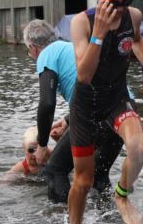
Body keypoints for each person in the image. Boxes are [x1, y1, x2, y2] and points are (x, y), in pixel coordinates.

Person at [66, 0, 143, 224]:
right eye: (115, 4)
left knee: (139, 148)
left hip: (116, 100)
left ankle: (122, 194)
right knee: (83, 180)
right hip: (85, 107)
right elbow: (83, 74)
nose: (121, 9)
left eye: (126, 2)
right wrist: (100, 33)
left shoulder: (133, 16)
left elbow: (138, 40)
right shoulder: (81, 22)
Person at [23, 19, 123, 203]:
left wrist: (43, 146)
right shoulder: (71, 47)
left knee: (55, 171)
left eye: (28, 51)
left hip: (97, 115)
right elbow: (97, 87)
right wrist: (69, 120)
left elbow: (46, 103)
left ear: (33, 47)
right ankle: (110, 222)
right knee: (97, 174)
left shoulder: (46, 54)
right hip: (123, 114)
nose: (31, 55)